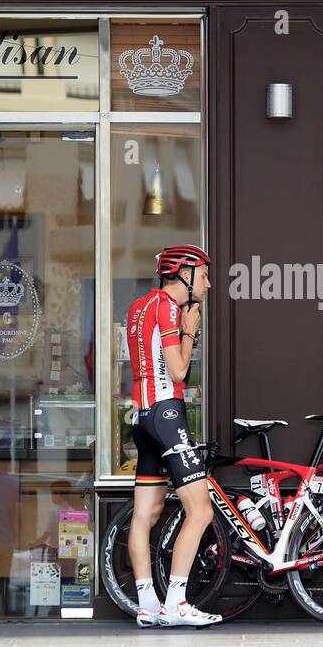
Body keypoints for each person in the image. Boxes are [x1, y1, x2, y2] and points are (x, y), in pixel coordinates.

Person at [125, 244, 222, 627]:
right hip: (166, 412)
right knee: (200, 510)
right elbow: (179, 371)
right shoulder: (167, 307)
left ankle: (147, 605)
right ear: (184, 274)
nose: (209, 283)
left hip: (142, 416)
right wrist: (190, 332)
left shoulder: (138, 307)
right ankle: (177, 602)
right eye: (203, 274)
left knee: (144, 515)